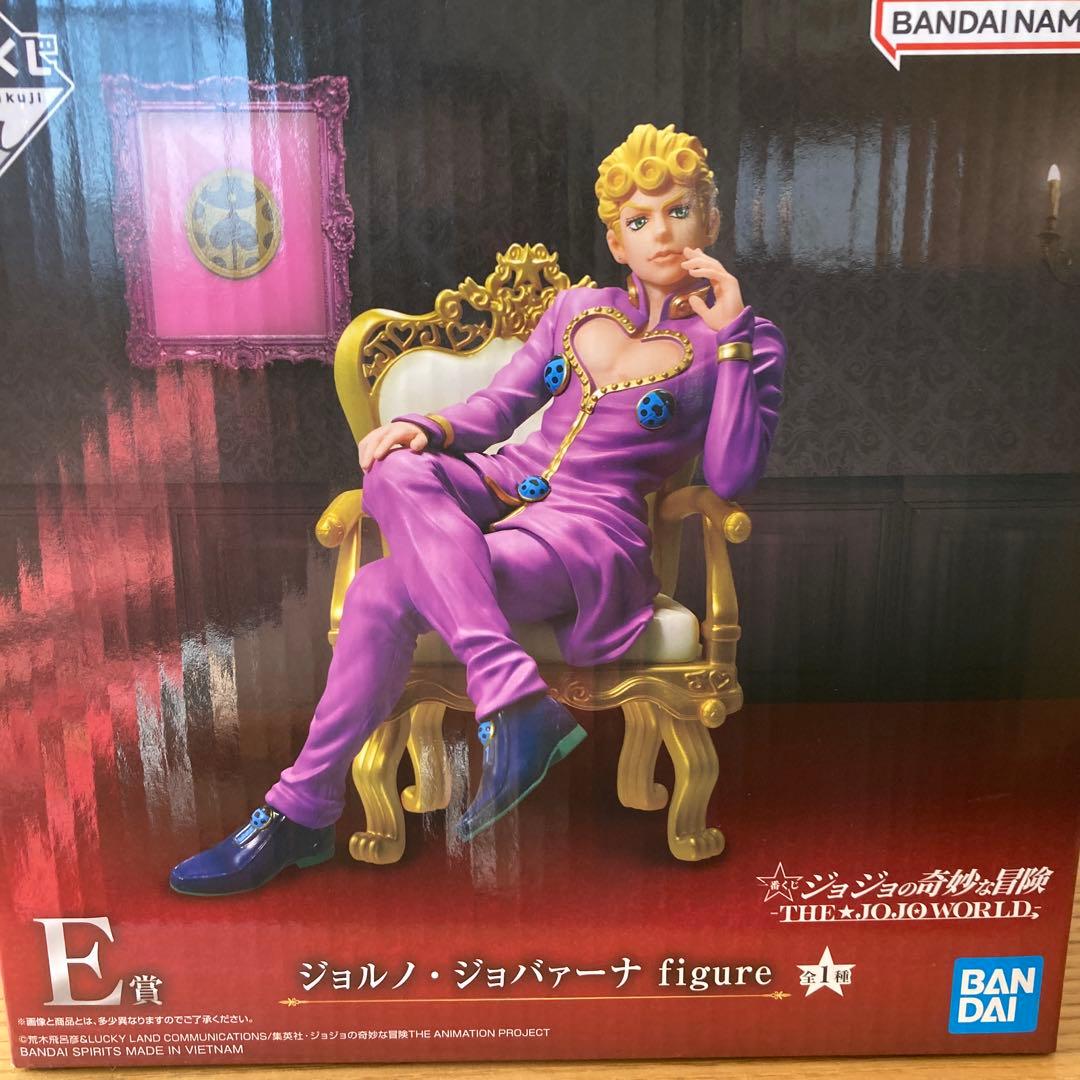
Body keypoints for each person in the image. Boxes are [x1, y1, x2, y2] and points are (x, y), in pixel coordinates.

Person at [169, 123, 787, 896]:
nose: (660, 232)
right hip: (503, 483)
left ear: (711, 222)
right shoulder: (576, 310)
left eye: (679, 211)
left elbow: (731, 474)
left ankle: (298, 813)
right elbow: (500, 407)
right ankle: (512, 697)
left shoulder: (746, 341)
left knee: (380, 590)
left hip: (591, 536)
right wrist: (425, 429)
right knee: (394, 466)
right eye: (639, 219)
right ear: (616, 241)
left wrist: (731, 341)